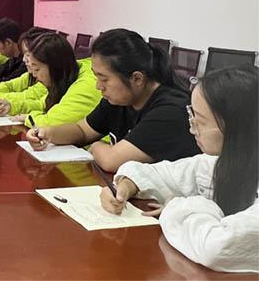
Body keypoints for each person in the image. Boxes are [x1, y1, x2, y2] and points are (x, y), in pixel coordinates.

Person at [101, 66, 258, 274]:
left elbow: (216, 248)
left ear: (238, 127)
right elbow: (162, 174)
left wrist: (180, 205)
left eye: (200, 121)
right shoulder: (224, 161)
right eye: (192, 115)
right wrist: (126, 185)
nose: (192, 128)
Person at [25, 28, 200, 172]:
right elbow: (82, 130)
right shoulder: (119, 99)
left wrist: (96, 146)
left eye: (104, 79)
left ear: (137, 79)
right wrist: (49, 133)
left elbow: (111, 161)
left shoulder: (170, 111)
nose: (98, 86)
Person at [0, 32, 101, 128]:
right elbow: (44, 104)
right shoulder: (66, 74)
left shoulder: (87, 84)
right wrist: (12, 107)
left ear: (55, 67)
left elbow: (54, 122)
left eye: (37, 69)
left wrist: (29, 118)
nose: (34, 75)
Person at [0, 27, 49, 104]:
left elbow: (24, 98)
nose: (24, 59)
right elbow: (11, 85)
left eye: (28, 55)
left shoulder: (48, 81)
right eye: (24, 54)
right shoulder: (29, 75)